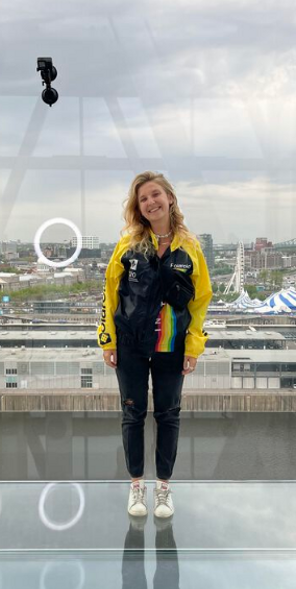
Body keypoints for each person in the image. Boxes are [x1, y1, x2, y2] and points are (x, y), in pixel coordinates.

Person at [97, 171, 211, 518]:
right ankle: (136, 488)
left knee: (168, 415)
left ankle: (163, 489)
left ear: (170, 198)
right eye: (143, 198)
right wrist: (107, 340)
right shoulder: (127, 246)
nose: (150, 202)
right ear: (138, 207)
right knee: (132, 414)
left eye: (155, 195)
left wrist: (193, 347)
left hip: (172, 345)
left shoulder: (189, 248)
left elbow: (200, 301)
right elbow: (110, 295)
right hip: (131, 344)